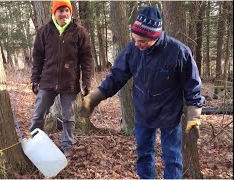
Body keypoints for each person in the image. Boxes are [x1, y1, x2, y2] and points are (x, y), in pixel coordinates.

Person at [80, 6, 205, 179]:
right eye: (135, 39)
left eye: (142, 41)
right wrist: (94, 98)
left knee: (173, 158)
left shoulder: (178, 52)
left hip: (169, 113)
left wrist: (194, 115)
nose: (137, 44)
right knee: (144, 155)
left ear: (156, 35)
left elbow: (193, 86)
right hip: (143, 112)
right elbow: (116, 76)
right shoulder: (133, 49)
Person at [29, 0, 93, 158]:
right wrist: (35, 79)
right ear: (54, 13)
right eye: (60, 11)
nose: (64, 14)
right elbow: (37, 57)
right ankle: (36, 141)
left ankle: (67, 146)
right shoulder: (44, 31)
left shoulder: (80, 32)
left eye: (66, 11)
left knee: (69, 117)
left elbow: (86, 59)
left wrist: (86, 82)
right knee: (38, 114)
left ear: (70, 12)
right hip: (47, 80)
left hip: (69, 82)